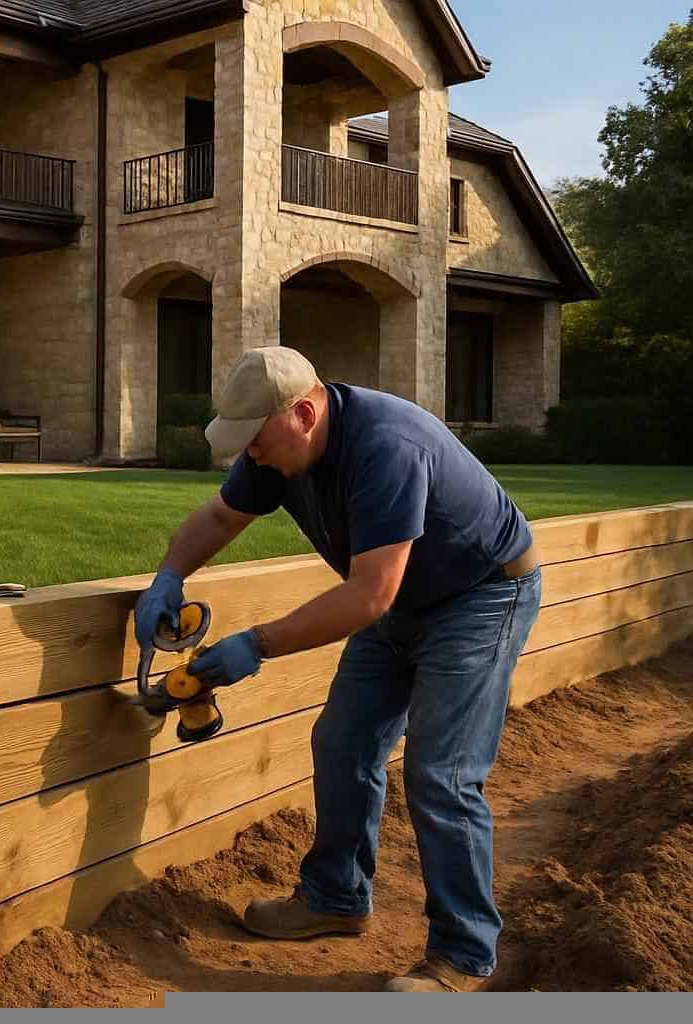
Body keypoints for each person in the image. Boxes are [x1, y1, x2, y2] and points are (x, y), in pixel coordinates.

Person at [134, 346, 541, 993]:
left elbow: (369, 594)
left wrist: (257, 644)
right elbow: (219, 516)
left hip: (479, 596)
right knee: (344, 741)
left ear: (301, 413)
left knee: (442, 772)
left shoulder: (386, 446)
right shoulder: (277, 452)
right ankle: (334, 898)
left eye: (254, 439)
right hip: (400, 599)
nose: (250, 455)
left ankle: (463, 954)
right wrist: (169, 574)